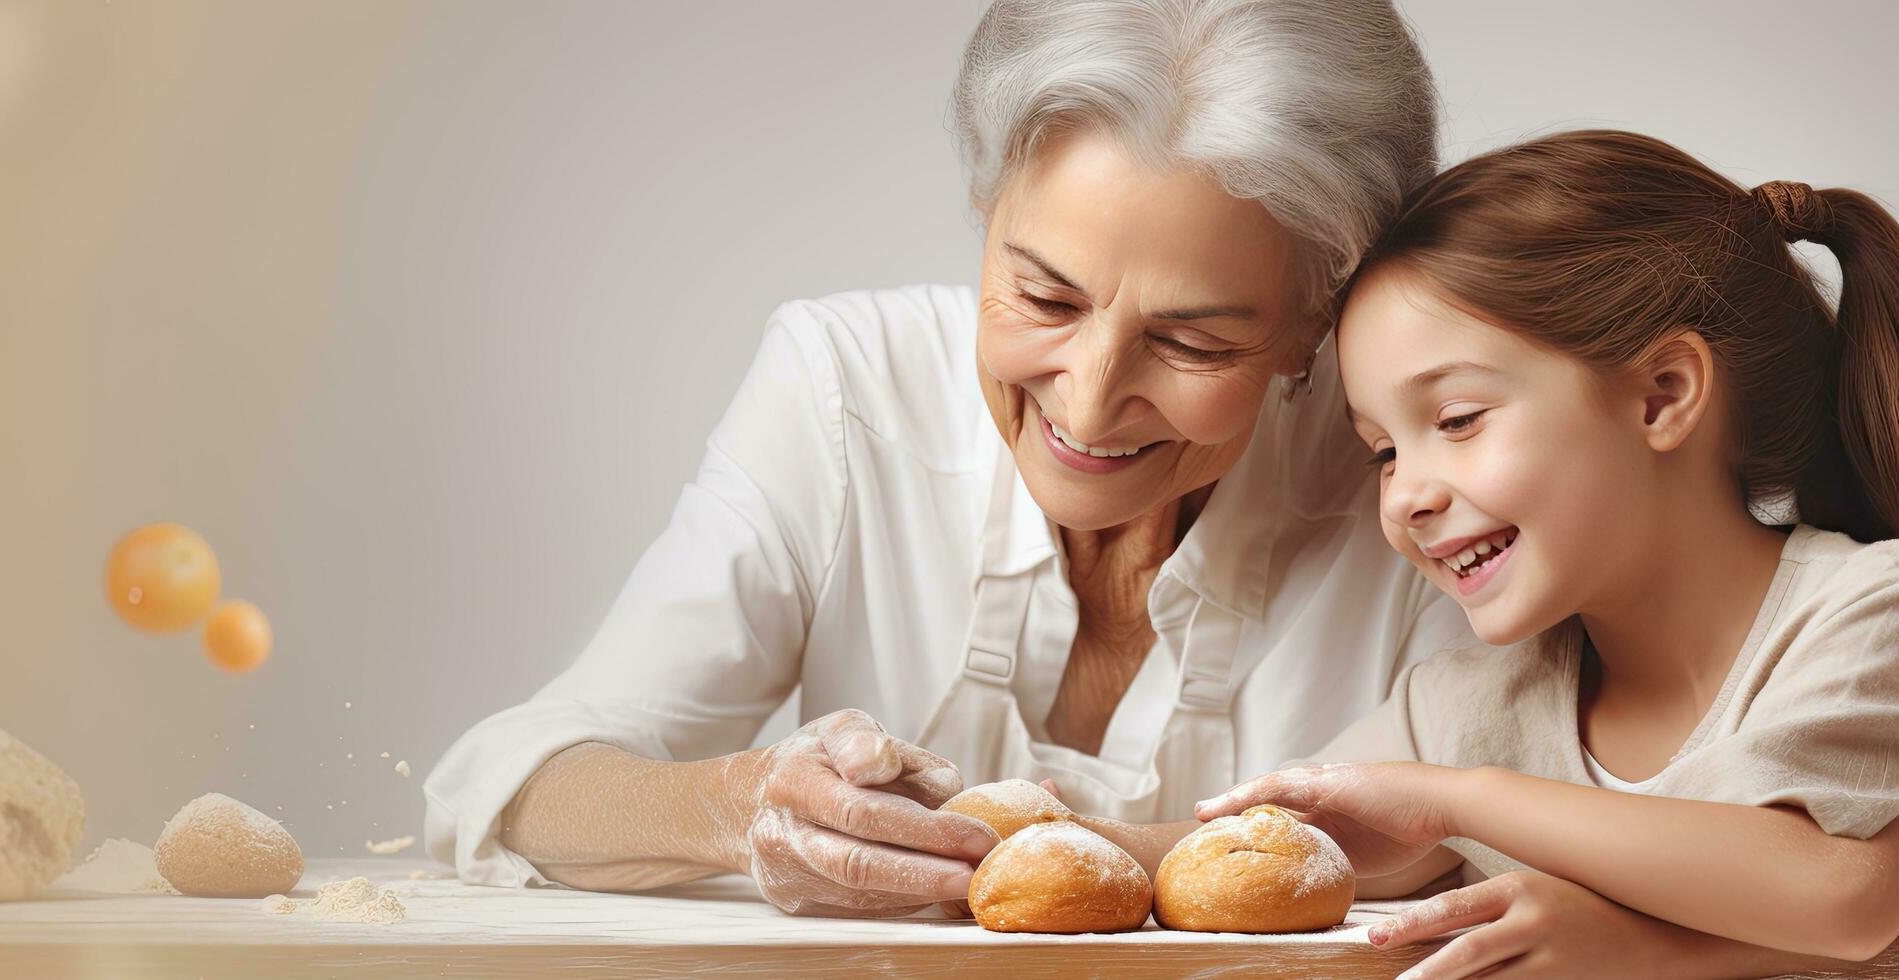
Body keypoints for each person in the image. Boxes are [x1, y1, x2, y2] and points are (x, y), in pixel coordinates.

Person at [425, 0, 1462, 916]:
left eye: (1192, 342)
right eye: (1044, 297)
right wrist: (740, 805)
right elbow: (515, 783)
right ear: (983, 208)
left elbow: (1476, 828)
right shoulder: (843, 388)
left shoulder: (1421, 467)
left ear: (1317, 324)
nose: (1088, 402)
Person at [1199, 130, 1899, 975]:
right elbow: (1251, 846)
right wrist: (1044, 846)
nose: (1403, 495)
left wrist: (1460, 804)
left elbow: (1843, 898)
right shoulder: (1466, 706)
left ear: (1660, 395)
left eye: (1456, 419)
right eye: (1384, 451)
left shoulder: (1866, 612)